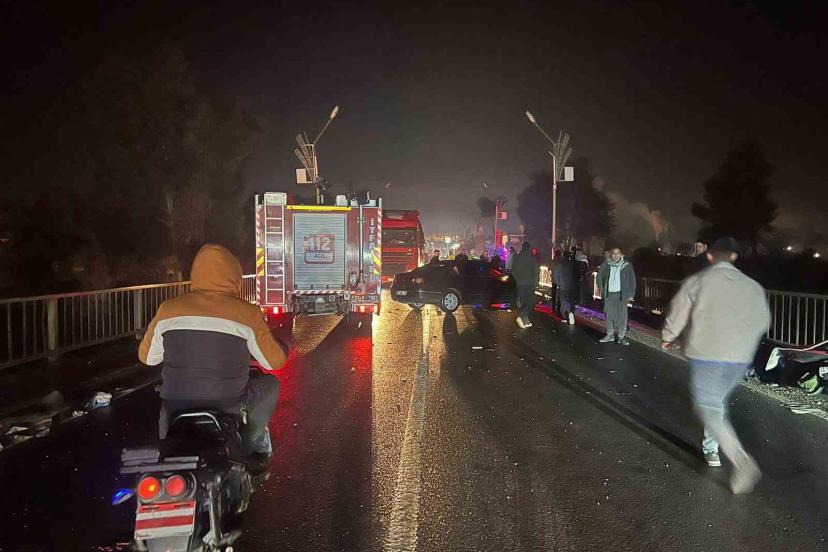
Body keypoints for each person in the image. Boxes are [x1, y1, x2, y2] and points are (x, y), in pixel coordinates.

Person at [139, 244, 288, 462]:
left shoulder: (168, 309)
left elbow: (147, 358)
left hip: (176, 405)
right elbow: (273, 362)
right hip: (227, 404)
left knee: (165, 410)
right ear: (234, 276)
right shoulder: (247, 313)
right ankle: (251, 444)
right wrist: (283, 345)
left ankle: (168, 449)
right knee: (270, 385)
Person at [661, 236, 769, 494]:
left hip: (707, 353)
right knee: (716, 403)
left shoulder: (697, 281)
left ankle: (740, 460)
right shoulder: (753, 286)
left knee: (707, 406)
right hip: (740, 357)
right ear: (734, 257)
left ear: (709, 256)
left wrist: (668, 336)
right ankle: (711, 449)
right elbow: (763, 321)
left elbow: (679, 312)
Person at [596, 246, 636, 345]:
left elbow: (632, 280)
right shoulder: (606, 265)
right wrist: (602, 288)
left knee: (622, 316)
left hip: (622, 295)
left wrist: (631, 293)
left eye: (617, 253)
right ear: (610, 255)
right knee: (609, 316)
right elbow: (599, 277)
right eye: (613, 253)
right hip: (609, 294)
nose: (615, 255)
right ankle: (610, 335)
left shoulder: (627, 265)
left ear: (621, 254)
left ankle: (621, 337)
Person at [511, 242, 540, 329]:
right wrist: (536, 282)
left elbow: (513, 270)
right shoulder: (532, 258)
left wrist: (517, 279)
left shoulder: (517, 258)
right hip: (530, 283)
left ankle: (525, 319)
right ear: (529, 248)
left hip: (520, 283)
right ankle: (523, 316)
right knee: (530, 301)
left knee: (523, 301)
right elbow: (536, 271)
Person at [553, 250, 575, 324]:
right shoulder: (572, 265)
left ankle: (565, 316)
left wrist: (558, 284)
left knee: (563, 301)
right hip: (571, 286)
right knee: (569, 300)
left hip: (562, 286)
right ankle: (570, 312)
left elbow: (555, 276)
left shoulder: (559, 265)